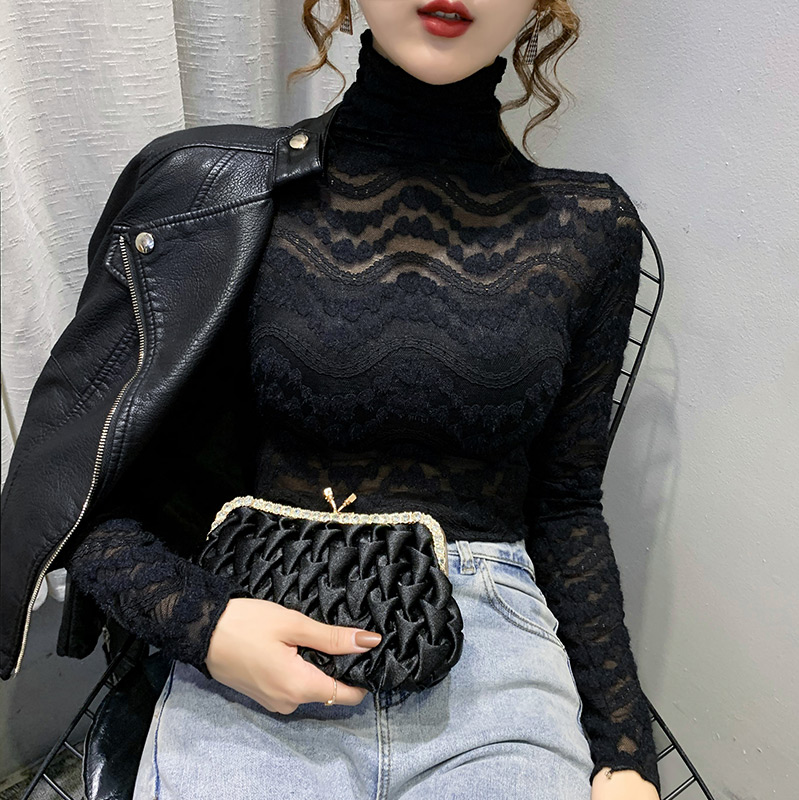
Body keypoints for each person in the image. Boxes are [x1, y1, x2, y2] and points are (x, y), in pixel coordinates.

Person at [1, 2, 661, 798]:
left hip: (494, 656)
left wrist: (625, 753)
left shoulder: (590, 226)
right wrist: (204, 624)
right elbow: (80, 487)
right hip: (251, 629)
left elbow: (566, 506)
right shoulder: (213, 197)